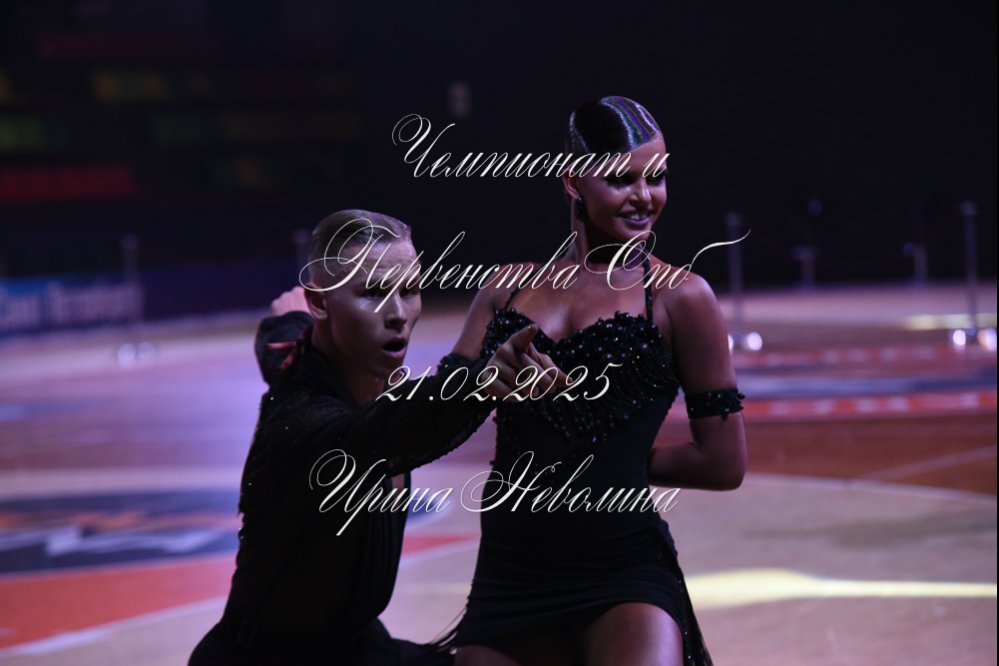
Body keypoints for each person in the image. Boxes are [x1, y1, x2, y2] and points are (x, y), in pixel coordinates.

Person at [448, 97, 748, 665]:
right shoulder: (504, 289)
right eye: (620, 179)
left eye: (655, 177)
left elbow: (723, 464)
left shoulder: (682, 298)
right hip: (511, 574)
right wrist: (484, 382)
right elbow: (437, 418)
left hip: (622, 571)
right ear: (572, 182)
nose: (644, 196)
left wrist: (614, 462)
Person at [189, 210, 554, 666]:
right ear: (320, 303)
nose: (398, 315)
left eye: (410, 290)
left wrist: (489, 305)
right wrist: (480, 385)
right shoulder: (304, 420)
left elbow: (282, 341)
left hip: (361, 649)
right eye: (373, 294)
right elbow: (398, 424)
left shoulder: (305, 359)